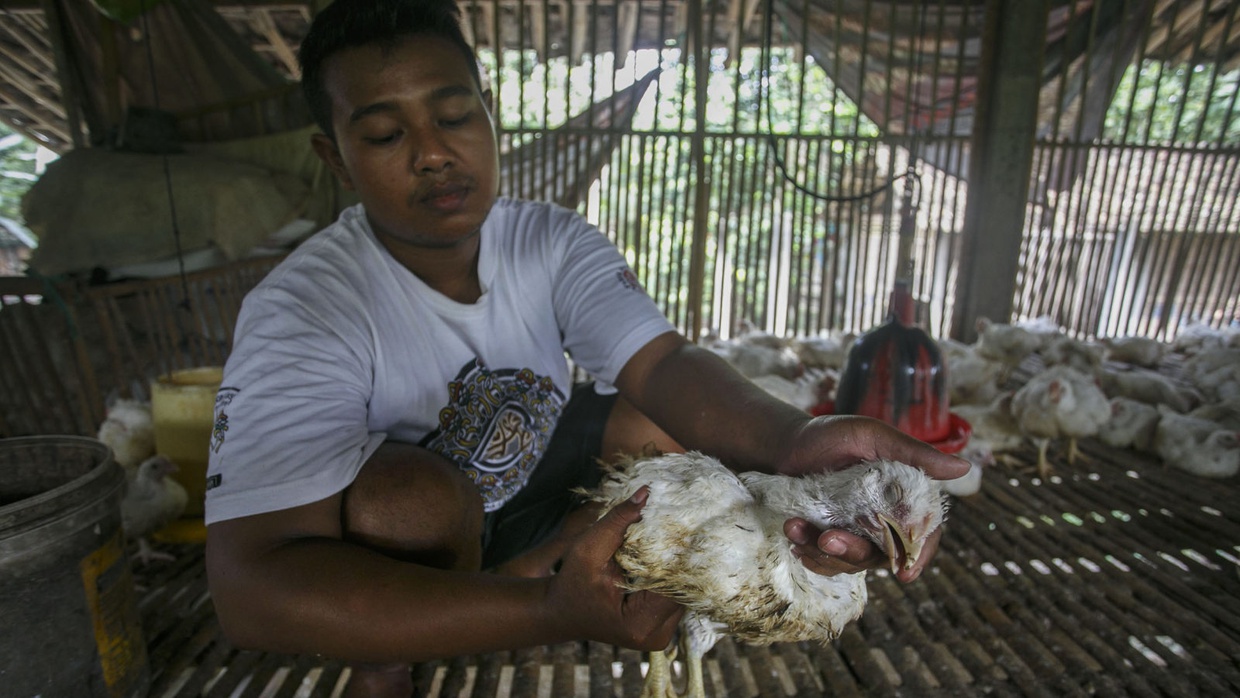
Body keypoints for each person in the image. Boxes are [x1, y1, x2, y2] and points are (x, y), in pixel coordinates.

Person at [203, 0, 970, 695]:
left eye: (454, 115)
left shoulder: (550, 241)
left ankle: (526, 573)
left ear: (490, 114)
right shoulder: (305, 308)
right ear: (335, 157)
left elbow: (664, 365)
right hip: (425, 539)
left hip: (531, 491)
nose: (433, 153)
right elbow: (251, 589)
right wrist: (548, 611)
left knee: (662, 429)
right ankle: (397, 654)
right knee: (410, 501)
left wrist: (793, 438)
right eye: (384, 133)